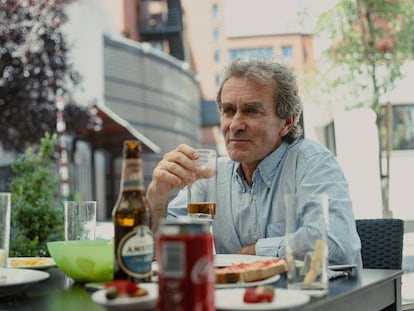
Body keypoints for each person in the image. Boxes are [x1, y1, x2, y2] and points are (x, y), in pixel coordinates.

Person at [146, 57, 362, 267]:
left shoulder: (312, 162)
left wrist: (258, 251)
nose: (235, 125)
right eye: (228, 111)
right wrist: (157, 197)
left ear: (287, 122)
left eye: (251, 111)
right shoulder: (211, 174)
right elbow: (160, 251)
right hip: (237, 301)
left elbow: (336, 245)